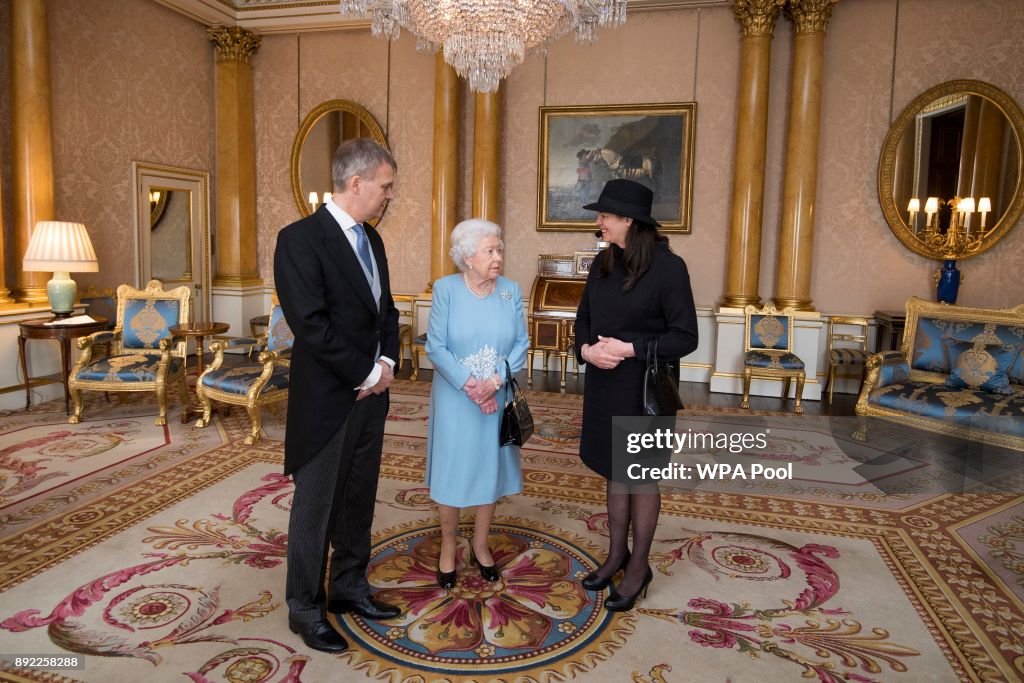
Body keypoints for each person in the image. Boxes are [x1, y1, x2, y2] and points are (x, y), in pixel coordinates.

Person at [274, 137, 401, 653]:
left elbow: (386, 311)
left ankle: (349, 586)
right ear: (356, 183)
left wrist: (388, 362)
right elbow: (310, 325)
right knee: (316, 505)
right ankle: (305, 607)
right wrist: (365, 372)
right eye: (385, 186)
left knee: (357, 496)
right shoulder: (299, 239)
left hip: (373, 394)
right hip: (329, 398)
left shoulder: (374, 239)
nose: (390, 195)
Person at [574, 178, 698, 611]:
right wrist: (588, 349)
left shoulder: (668, 268)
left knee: (640, 476)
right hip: (605, 385)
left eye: (605, 215)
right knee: (615, 471)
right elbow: (584, 317)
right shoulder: (603, 263)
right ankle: (615, 556)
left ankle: (640, 565)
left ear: (629, 220)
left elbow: (686, 337)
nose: (599, 222)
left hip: (644, 390)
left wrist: (629, 349)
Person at [424, 219, 530, 589]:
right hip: (456, 396)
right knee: (453, 469)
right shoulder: (446, 290)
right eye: (490, 250)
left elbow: (521, 344)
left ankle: (481, 544)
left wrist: (495, 382)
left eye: (499, 249)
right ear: (468, 257)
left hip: (496, 393)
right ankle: (449, 545)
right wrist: (472, 386)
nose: (498, 257)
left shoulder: (510, 291)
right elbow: (436, 346)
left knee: (490, 469)